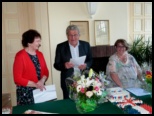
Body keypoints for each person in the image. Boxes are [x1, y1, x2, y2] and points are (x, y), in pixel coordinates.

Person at [53, 25, 93, 99]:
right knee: (68, 103)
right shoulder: (60, 47)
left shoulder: (86, 45)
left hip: (83, 80)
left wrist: (86, 65)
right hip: (68, 80)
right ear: (67, 35)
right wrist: (65, 65)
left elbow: (90, 59)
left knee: (84, 100)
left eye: (75, 35)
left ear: (79, 35)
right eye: (70, 35)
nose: (73, 38)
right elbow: (56, 64)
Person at [13, 29, 49, 105]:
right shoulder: (20, 56)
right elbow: (17, 78)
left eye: (39, 41)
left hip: (40, 89)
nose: (39, 43)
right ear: (29, 43)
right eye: (37, 41)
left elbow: (46, 71)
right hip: (26, 92)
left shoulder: (40, 54)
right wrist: (35, 84)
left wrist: (42, 81)